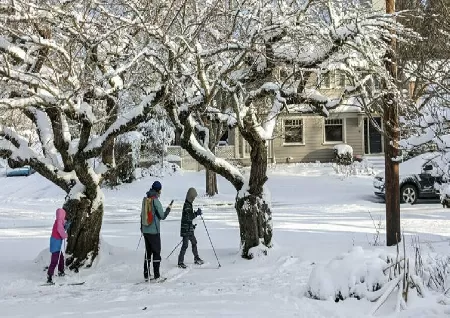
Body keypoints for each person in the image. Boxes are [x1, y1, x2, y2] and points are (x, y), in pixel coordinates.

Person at [141, 181, 171, 281]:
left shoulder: (145, 199)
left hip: (145, 230)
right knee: (156, 252)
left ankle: (146, 274)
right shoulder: (156, 201)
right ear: (158, 190)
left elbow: (142, 214)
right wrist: (168, 210)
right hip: (154, 231)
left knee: (148, 252)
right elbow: (162, 216)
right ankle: (157, 275)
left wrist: (142, 227)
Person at [178, 187, 204, 268]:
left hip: (189, 229)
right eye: (193, 197)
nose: (194, 199)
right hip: (186, 230)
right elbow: (189, 217)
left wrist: (191, 226)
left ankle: (196, 258)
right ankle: (180, 262)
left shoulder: (189, 204)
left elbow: (188, 218)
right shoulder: (187, 206)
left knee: (194, 242)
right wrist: (196, 213)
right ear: (190, 196)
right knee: (185, 245)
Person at [47, 208, 70, 284]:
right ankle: (49, 276)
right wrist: (64, 235)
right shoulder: (59, 222)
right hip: (55, 242)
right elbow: (60, 229)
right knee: (55, 260)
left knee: (61, 258)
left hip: (57, 242)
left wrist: (67, 224)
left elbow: (63, 226)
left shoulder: (59, 221)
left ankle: (61, 271)